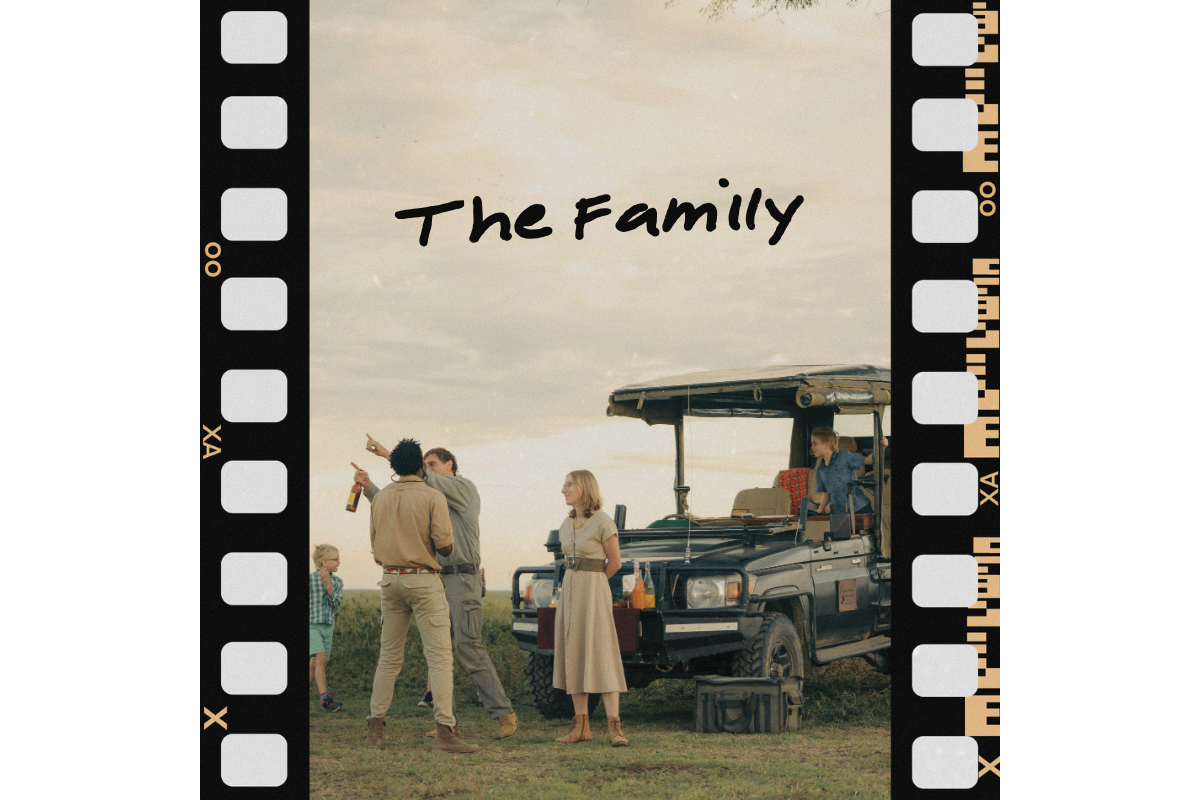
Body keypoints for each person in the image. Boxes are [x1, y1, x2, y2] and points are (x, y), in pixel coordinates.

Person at [356, 434, 519, 740]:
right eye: (424, 463)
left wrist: (389, 456)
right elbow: (398, 504)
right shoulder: (429, 493)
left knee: (466, 646)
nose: (427, 469)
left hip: (461, 577)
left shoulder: (463, 488)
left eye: (433, 464)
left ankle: (504, 713)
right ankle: (448, 722)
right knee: (439, 650)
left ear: (450, 465)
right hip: (435, 577)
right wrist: (370, 489)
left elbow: (417, 480)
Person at [554, 470, 629, 747]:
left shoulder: (603, 522)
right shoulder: (566, 523)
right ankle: (581, 725)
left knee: (602, 653)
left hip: (594, 593)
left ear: (584, 487)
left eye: (568, 484)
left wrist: (595, 584)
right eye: (564, 485)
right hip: (570, 593)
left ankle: (614, 726)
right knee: (574, 652)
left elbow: (615, 563)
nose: (563, 489)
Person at [810, 427, 889, 515]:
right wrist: (820, 509)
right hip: (841, 512)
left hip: (859, 507)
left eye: (815, 443)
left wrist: (882, 447)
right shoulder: (821, 469)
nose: (812, 447)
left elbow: (868, 460)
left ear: (827, 444)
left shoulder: (844, 456)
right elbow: (827, 493)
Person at [309, 544, 344, 713]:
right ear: (324, 562)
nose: (339, 562)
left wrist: (329, 586)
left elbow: (336, 604)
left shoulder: (337, 582)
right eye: (335, 559)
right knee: (321, 659)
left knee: (315, 663)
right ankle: (324, 698)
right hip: (312, 626)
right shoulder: (310, 580)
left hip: (328, 626)